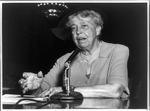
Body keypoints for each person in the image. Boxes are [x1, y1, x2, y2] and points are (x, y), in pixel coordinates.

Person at [19, 8, 130, 98]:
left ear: (97, 29)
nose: (78, 32)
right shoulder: (64, 60)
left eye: (84, 26)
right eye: (73, 28)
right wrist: (35, 87)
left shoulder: (118, 50)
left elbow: (115, 91)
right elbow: (42, 93)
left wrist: (65, 90)